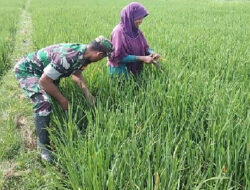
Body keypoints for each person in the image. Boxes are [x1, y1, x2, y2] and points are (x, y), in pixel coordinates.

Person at [14, 36, 114, 162]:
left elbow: (77, 75)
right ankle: (43, 145)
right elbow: (44, 81)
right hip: (28, 71)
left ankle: (63, 118)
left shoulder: (86, 56)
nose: (101, 60)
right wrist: (63, 101)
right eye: (103, 57)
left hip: (45, 72)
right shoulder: (68, 58)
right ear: (99, 54)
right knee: (44, 103)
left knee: (53, 92)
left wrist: (88, 94)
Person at [107, 2, 160, 77]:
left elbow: (145, 47)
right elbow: (118, 56)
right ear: (130, 17)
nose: (141, 21)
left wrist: (152, 53)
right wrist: (143, 58)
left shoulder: (137, 31)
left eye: (142, 18)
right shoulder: (118, 32)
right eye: (138, 18)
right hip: (120, 73)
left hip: (135, 72)